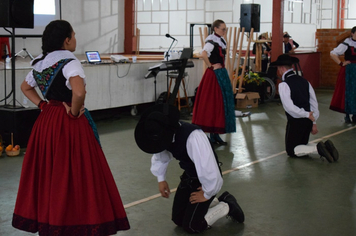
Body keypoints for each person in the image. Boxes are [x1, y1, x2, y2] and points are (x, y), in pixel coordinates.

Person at [12, 20, 130, 235]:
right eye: (73, 35)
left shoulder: (40, 62)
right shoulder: (70, 61)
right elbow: (78, 93)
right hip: (68, 121)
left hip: (47, 121)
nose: (75, 39)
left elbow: (25, 87)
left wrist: (42, 105)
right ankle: (75, 218)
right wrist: (74, 112)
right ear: (66, 40)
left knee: (51, 169)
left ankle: (52, 217)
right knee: (76, 170)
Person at [134, 104, 244, 234]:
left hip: (206, 181)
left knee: (192, 226)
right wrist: (161, 179)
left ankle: (227, 204)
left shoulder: (193, 137)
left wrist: (206, 193)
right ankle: (209, 204)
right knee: (178, 220)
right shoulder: (163, 136)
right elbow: (160, 157)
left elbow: (209, 168)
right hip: (189, 177)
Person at [270, 54, 339, 163]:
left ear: (282, 68)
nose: (278, 71)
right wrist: (313, 120)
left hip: (296, 121)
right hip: (308, 121)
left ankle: (318, 148)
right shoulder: (305, 81)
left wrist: (306, 115)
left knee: (292, 151)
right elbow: (313, 103)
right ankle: (326, 147)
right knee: (301, 145)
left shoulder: (284, 85)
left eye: (278, 68)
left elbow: (289, 108)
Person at [192, 19, 236, 145]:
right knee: (213, 102)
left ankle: (216, 135)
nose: (224, 31)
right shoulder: (211, 40)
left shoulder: (220, 41)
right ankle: (212, 135)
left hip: (221, 73)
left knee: (221, 103)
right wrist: (210, 65)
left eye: (225, 29)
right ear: (215, 29)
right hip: (214, 75)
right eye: (223, 29)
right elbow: (204, 53)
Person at [329, 26, 356, 123]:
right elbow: (333, 53)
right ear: (352, 33)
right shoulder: (347, 42)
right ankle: (347, 115)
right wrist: (341, 63)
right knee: (348, 91)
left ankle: (355, 114)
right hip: (349, 71)